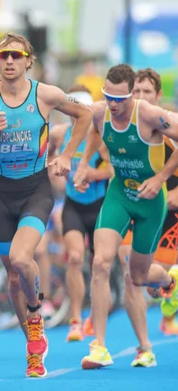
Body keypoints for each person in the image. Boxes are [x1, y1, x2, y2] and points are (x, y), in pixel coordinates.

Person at [0, 33, 93, 378]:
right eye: (3, 56)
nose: (9, 61)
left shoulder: (45, 94)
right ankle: (34, 352)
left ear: (28, 61)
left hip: (36, 189)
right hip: (3, 193)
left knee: (22, 259)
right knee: (12, 277)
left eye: (16, 56)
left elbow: (85, 116)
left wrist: (66, 155)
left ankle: (37, 316)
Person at [74, 64, 178, 370]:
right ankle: (100, 347)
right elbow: (91, 128)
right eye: (107, 97)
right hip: (120, 193)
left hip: (151, 203)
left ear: (135, 96)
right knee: (102, 262)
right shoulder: (100, 111)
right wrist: (80, 164)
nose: (112, 104)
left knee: (140, 276)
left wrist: (160, 178)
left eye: (119, 99)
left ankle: (168, 279)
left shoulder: (151, 117)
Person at [48, 85, 113, 342]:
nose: (78, 117)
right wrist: (57, 173)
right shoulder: (59, 134)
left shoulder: (101, 135)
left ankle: (95, 319)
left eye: (83, 111)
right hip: (73, 205)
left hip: (99, 206)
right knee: (74, 257)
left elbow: (112, 171)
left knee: (99, 266)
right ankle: (75, 320)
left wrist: (90, 174)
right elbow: (50, 162)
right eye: (74, 112)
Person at [117, 68, 178, 336]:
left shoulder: (170, 127)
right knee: (130, 272)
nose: (140, 97)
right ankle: (144, 347)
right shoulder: (122, 126)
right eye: (136, 91)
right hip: (137, 210)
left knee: (153, 285)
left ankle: (169, 284)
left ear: (158, 95)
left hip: (168, 217)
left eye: (146, 92)